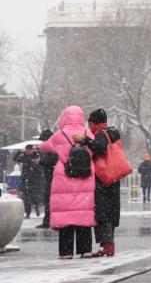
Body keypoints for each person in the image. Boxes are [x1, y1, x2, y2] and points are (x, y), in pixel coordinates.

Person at [37, 106, 96, 259]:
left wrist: (37, 146)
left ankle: (66, 252)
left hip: (64, 177)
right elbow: (95, 149)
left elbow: (45, 146)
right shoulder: (87, 134)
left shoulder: (59, 135)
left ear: (65, 117)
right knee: (83, 216)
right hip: (85, 176)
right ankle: (85, 250)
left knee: (66, 217)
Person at [80, 109, 122, 257]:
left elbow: (101, 148)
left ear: (92, 123)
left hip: (103, 178)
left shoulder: (100, 133)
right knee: (110, 212)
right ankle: (107, 245)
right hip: (113, 176)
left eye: (90, 123)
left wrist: (86, 140)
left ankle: (107, 246)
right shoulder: (112, 132)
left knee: (103, 212)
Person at [15, 144, 43, 218]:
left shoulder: (36, 154)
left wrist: (35, 154)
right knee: (26, 196)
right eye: (27, 150)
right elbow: (15, 159)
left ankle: (36, 207)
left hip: (35, 178)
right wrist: (19, 152)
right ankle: (28, 213)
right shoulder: (24, 155)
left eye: (29, 150)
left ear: (32, 150)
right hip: (25, 178)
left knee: (34, 196)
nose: (28, 152)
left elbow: (40, 161)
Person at [37, 129, 58, 229]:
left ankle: (49, 221)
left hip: (53, 179)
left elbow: (52, 161)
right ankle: (48, 220)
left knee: (49, 200)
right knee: (49, 200)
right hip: (51, 178)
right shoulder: (53, 147)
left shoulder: (52, 148)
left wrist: (41, 161)